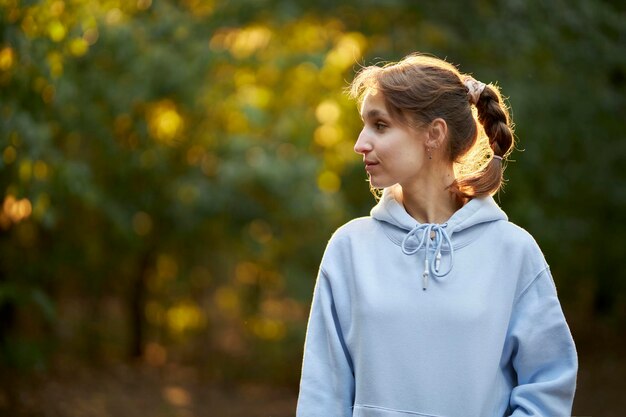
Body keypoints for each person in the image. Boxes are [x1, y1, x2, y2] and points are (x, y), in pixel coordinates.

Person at [295, 54, 577, 417]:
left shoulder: (513, 251)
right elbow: (323, 394)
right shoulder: (349, 249)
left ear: (434, 134)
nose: (360, 143)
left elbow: (548, 385)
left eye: (380, 125)